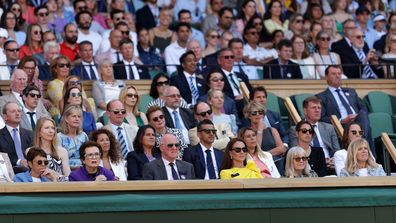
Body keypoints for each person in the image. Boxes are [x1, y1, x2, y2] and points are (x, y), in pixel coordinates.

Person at [316, 65, 374, 156]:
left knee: (363, 114)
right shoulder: (321, 96)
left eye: (339, 73)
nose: (337, 76)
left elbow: (363, 108)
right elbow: (322, 117)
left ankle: (362, 143)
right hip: (342, 125)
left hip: (359, 121)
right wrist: (341, 121)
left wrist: (357, 116)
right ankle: (365, 147)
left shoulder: (351, 91)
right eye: (334, 74)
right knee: (364, 123)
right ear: (326, 77)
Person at [288, 96, 341, 173]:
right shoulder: (295, 129)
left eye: (319, 108)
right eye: (313, 108)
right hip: (309, 164)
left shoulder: (329, 128)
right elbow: (295, 152)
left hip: (330, 165)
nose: (317, 110)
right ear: (305, 111)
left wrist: (333, 160)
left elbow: (337, 150)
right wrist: (321, 161)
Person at [243, 101, 286, 174]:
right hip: (257, 165)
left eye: (260, 112)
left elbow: (281, 148)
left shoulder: (272, 130)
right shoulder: (247, 132)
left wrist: (264, 155)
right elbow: (256, 148)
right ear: (249, 116)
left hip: (276, 162)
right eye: (254, 113)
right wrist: (259, 131)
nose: (258, 115)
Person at [0, 102, 33, 173]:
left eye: (19, 111)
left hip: (31, 169)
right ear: (5, 116)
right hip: (9, 170)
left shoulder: (29, 134)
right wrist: (19, 161)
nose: (17, 113)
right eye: (13, 111)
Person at [57, 105, 89, 169]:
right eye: (74, 116)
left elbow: (88, 154)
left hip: (84, 169)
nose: (77, 119)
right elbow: (58, 160)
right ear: (66, 118)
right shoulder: (59, 137)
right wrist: (73, 168)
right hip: (66, 170)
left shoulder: (83, 135)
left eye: (79, 117)